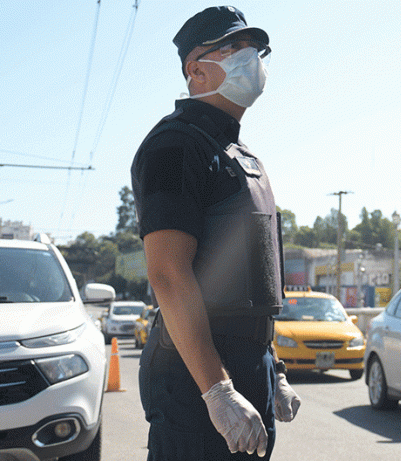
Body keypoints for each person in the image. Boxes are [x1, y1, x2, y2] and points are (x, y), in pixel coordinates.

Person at [131, 6, 300, 460]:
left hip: (247, 364)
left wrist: (273, 366)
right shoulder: (174, 146)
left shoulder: (240, 156)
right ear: (196, 69)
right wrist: (217, 392)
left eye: (254, 49)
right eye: (233, 48)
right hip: (198, 375)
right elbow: (168, 273)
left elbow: (255, 275)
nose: (250, 58)